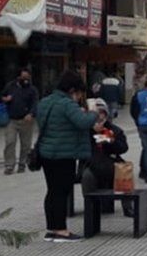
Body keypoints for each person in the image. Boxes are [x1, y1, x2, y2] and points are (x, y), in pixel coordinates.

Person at [35, 71, 102, 242]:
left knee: (52, 191)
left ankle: (51, 228)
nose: (79, 96)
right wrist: (94, 112)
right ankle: (61, 230)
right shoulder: (67, 104)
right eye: (79, 92)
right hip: (63, 155)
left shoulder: (45, 102)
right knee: (61, 191)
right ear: (72, 90)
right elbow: (84, 122)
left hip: (46, 153)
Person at [79, 100, 131, 213]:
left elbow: (124, 148)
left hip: (110, 162)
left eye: (101, 114)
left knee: (124, 170)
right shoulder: (84, 130)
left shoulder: (114, 129)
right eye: (96, 114)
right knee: (87, 177)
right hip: (91, 164)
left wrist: (111, 142)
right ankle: (91, 206)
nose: (99, 118)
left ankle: (128, 207)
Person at [0, 69, 39, 175]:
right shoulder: (10, 86)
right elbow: (2, 96)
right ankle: (9, 165)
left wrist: (31, 114)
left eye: (27, 78)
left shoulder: (32, 90)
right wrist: (5, 99)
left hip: (26, 120)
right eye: (23, 78)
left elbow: (35, 103)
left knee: (26, 144)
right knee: (10, 142)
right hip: (12, 119)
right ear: (19, 77)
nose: (25, 80)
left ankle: (22, 164)